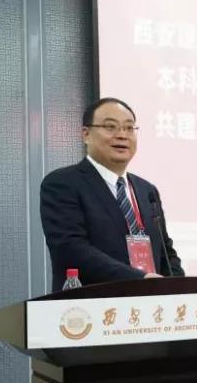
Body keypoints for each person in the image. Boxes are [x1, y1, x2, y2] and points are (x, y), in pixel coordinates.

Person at [40, 97, 185, 291]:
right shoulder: (63, 183)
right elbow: (71, 249)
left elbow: (166, 251)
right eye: (110, 127)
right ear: (86, 134)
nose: (122, 135)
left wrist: (178, 286)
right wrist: (139, 279)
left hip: (150, 303)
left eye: (129, 128)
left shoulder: (147, 190)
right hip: (94, 302)